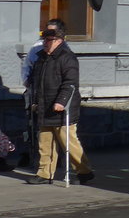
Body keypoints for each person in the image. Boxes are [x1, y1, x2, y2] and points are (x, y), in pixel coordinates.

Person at [26, 19, 94, 185]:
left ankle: (84, 171)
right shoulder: (41, 58)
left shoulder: (67, 58)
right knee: (45, 141)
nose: (45, 43)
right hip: (44, 106)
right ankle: (44, 173)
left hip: (61, 109)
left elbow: (70, 84)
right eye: (44, 40)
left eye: (48, 40)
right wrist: (34, 102)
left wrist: (61, 102)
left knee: (68, 142)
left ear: (59, 40)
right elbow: (36, 82)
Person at [18, 26, 45, 167]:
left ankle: (44, 156)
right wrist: (28, 84)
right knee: (31, 125)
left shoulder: (62, 49)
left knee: (42, 126)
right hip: (34, 91)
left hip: (46, 93)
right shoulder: (37, 48)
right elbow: (27, 68)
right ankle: (30, 154)